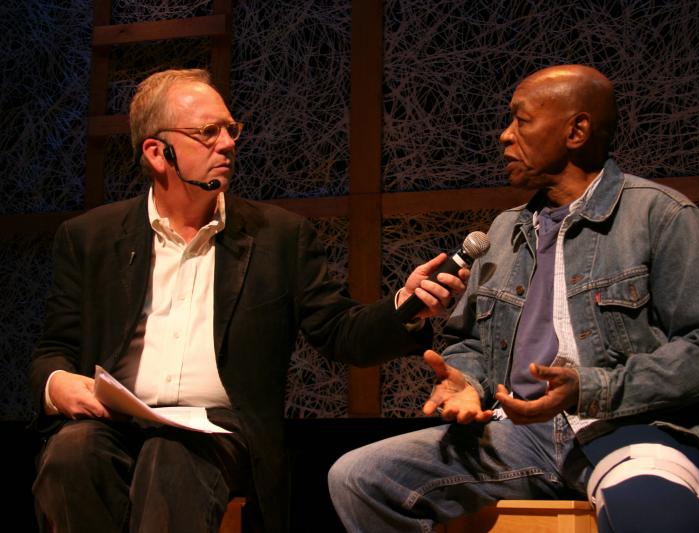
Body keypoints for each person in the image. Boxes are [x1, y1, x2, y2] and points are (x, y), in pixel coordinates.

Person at [29, 68, 467, 533]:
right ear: (158, 153)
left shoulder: (278, 236)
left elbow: (341, 333)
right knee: (70, 454)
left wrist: (405, 305)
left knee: (171, 455)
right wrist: (58, 383)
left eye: (230, 129)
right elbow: (54, 347)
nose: (228, 144)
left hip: (218, 432)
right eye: (207, 133)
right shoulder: (89, 238)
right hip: (114, 421)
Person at [328, 64, 699, 532]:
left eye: (521, 120)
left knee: (651, 514)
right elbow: (470, 344)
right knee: (359, 477)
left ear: (576, 130)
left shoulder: (662, 216)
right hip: (520, 434)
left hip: (633, 428)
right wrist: (467, 383)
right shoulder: (503, 230)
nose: (504, 136)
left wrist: (588, 389)